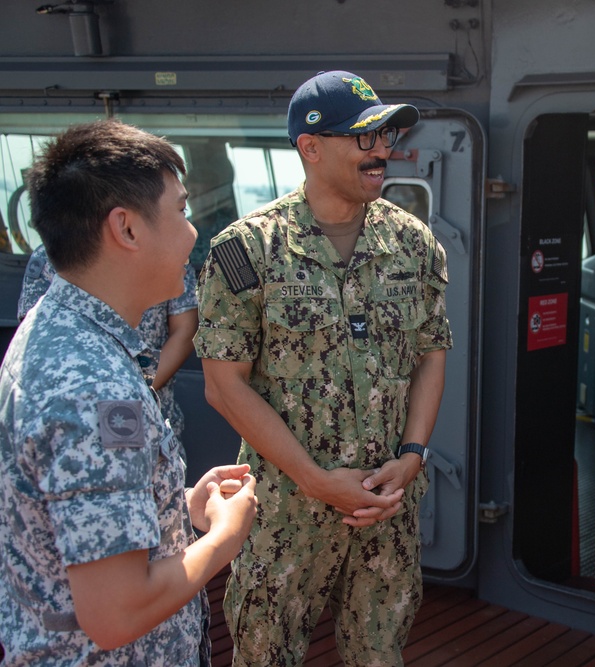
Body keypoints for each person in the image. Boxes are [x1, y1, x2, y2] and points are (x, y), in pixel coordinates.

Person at [195, 70, 452, 666]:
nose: (383, 150)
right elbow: (222, 385)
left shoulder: (415, 243)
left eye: (386, 136)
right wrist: (314, 478)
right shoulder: (247, 250)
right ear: (310, 147)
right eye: (364, 138)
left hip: (384, 508)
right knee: (266, 655)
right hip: (284, 510)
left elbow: (431, 357)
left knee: (379, 655)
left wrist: (412, 455)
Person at [0, 119, 258, 666]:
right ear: (127, 229)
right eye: (182, 211)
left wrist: (180, 509)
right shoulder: (92, 387)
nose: (192, 233)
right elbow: (117, 612)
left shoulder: (62, 331)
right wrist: (221, 542)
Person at [18, 245, 198, 458]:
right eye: (179, 211)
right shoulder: (55, 255)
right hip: (81, 428)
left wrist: (135, 391)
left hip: (156, 419)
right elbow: (39, 343)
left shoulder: (160, 247)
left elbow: (185, 331)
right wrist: (120, 392)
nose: (189, 229)